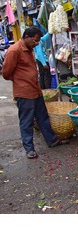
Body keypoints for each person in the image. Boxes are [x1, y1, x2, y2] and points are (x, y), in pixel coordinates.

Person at [2, 26, 68, 159]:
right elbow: (6, 73)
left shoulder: (30, 49)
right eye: (35, 40)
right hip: (24, 92)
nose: (37, 43)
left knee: (43, 117)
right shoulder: (14, 50)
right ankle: (29, 149)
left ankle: (52, 140)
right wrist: (21, 81)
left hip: (36, 90)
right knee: (27, 122)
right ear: (27, 37)